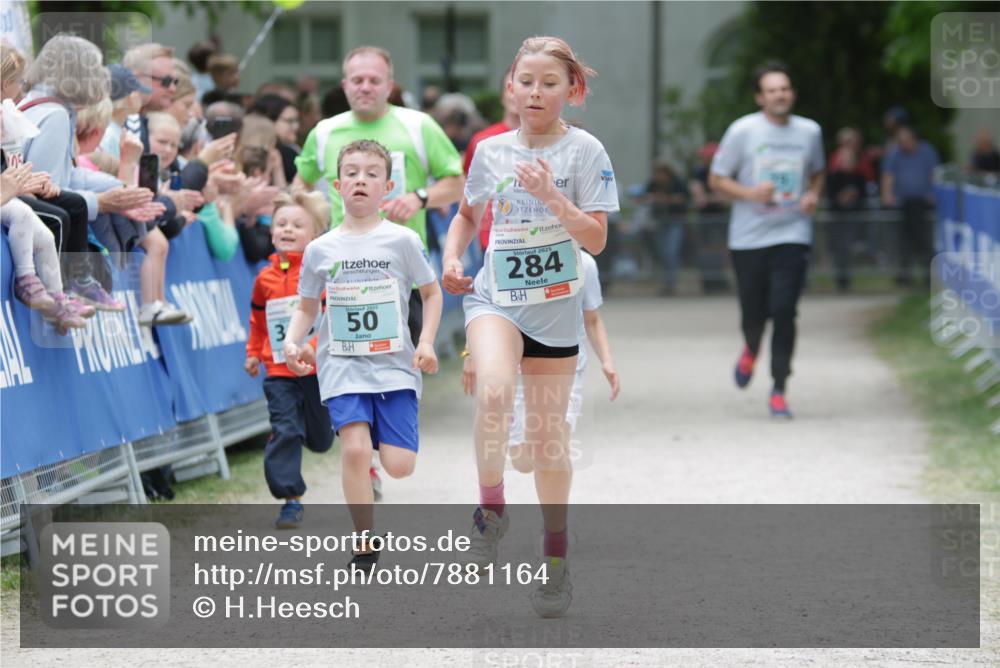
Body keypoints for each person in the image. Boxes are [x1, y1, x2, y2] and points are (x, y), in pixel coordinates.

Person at [442, 36, 617, 618]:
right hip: (496, 299)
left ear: (572, 89)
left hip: (556, 310)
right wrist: (453, 257)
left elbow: (596, 239)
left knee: (548, 443)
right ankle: (491, 508)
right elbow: (467, 215)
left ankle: (555, 558)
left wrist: (553, 199)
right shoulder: (490, 151)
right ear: (511, 88)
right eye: (526, 82)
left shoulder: (585, 151)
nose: (535, 92)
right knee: (494, 392)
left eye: (549, 83)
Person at [283, 140, 442, 572]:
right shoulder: (320, 249)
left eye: (372, 174)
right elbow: (306, 306)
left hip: (394, 367)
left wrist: (426, 341)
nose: (360, 180)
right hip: (342, 364)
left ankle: (375, 449)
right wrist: (293, 341)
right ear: (337, 186)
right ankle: (364, 543)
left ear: (387, 187)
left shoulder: (403, 240)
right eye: (351, 172)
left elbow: (431, 294)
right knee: (354, 450)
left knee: (400, 466)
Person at [709, 61, 824, 419]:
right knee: (754, 315)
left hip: (792, 233)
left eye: (784, 89)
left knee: (785, 310)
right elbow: (717, 179)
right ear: (760, 97)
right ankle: (751, 346)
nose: (779, 95)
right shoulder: (743, 131)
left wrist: (812, 195)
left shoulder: (809, 132)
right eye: (772, 90)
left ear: (793, 93)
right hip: (749, 238)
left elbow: (818, 173)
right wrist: (749, 193)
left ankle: (778, 389)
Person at [461, 251, 619, 473]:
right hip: (519, 364)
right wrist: (470, 352)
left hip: (566, 362)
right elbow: (485, 309)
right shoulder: (508, 250)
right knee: (523, 461)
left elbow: (592, 320)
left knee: (554, 442)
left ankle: (557, 493)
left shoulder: (585, 264)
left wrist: (607, 361)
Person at [245, 190, 334, 529]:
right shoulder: (263, 278)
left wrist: (312, 344)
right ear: (271, 232)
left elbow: (330, 318)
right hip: (279, 371)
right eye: (281, 224)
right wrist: (253, 353)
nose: (287, 230)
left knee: (321, 440)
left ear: (315, 235)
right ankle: (290, 499)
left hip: (315, 370)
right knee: (285, 429)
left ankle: (316, 433)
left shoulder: (320, 274)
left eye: (297, 225)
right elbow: (257, 321)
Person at [463, 67, 520, 251]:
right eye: (511, 88)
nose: (516, 94)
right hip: (492, 240)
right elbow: (467, 188)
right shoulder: (482, 141)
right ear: (503, 95)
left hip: (539, 239)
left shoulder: (552, 142)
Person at [880, 124, 940, 287]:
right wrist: (887, 195)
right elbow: (888, 175)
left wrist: (934, 193)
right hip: (902, 204)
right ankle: (905, 274)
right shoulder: (895, 153)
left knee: (923, 240)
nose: (902, 144)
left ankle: (927, 275)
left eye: (904, 140)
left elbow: (934, 173)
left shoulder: (927, 151)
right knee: (903, 241)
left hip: (922, 205)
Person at [639, 160, 690, 295]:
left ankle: (671, 282)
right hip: (659, 222)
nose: (659, 177)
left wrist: (664, 199)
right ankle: (666, 281)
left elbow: (684, 198)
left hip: (675, 221)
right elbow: (643, 197)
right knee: (661, 251)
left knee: (670, 251)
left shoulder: (677, 183)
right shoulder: (653, 183)